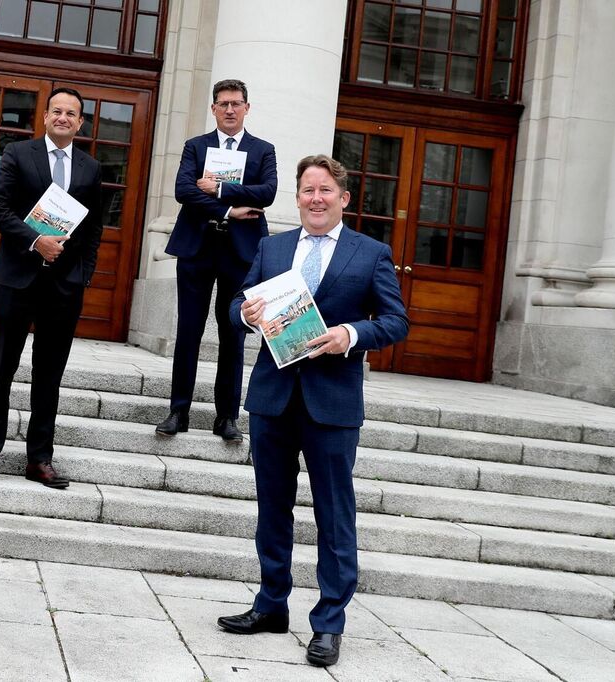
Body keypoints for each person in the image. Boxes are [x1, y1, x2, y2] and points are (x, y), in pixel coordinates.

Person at [218, 155, 408, 667]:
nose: (316, 198)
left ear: (344, 199)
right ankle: (270, 606)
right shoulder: (272, 247)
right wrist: (245, 312)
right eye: (307, 190)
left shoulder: (371, 254)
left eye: (326, 190)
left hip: (333, 404)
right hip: (273, 399)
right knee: (272, 509)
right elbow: (237, 307)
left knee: (334, 515)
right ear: (297, 197)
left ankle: (328, 623)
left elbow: (395, 322)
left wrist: (350, 334)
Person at [0, 87, 103, 489]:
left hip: (64, 286)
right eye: (56, 111)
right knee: (2, 367)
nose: (63, 118)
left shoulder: (90, 168)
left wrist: (85, 274)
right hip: (17, 278)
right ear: (44, 117)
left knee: (50, 375)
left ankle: (40, 459)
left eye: (71, 113)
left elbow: (94, 227)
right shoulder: (17, 154)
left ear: (80, 122)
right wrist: (34, 239)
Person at [155, 78, 277, 442]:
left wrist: (220, 188)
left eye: (236, 103)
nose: (229, 109)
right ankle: (179, 411)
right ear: (213, 108)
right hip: (196, 249)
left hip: (241, 255)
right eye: (222, 103)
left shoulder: (263, 150)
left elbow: (267, 193)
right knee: (188, 332)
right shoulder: (196, 146)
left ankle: (227, 417)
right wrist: (228, 210)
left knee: (233, 335)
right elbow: (183, 190)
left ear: (246, 107)